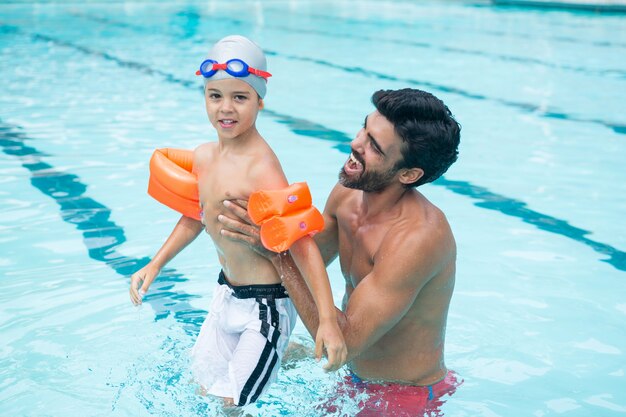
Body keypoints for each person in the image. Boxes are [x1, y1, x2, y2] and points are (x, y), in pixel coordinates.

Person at [128, 35, 346, 407]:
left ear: (260, 101)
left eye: (240, 97)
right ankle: (284, 354)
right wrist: (156, 263)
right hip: (225, 294)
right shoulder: (204, 156)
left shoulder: (262, 167)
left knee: (231, 404)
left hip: (266, 306)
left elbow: (303, 243)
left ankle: (278, 346)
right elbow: (197, 215)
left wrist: (327, 320)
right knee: (201, 391)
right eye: (215, 96)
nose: (225, 108)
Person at [218, 88, 462, 415]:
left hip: (402, 396)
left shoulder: (417, 239)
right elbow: (303, 262)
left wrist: (276, 255)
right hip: (355, 377)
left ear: (408, 174)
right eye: (364, 128)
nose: (355, 144)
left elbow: (343, 345)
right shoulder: (348, 193)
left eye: (374, 146)